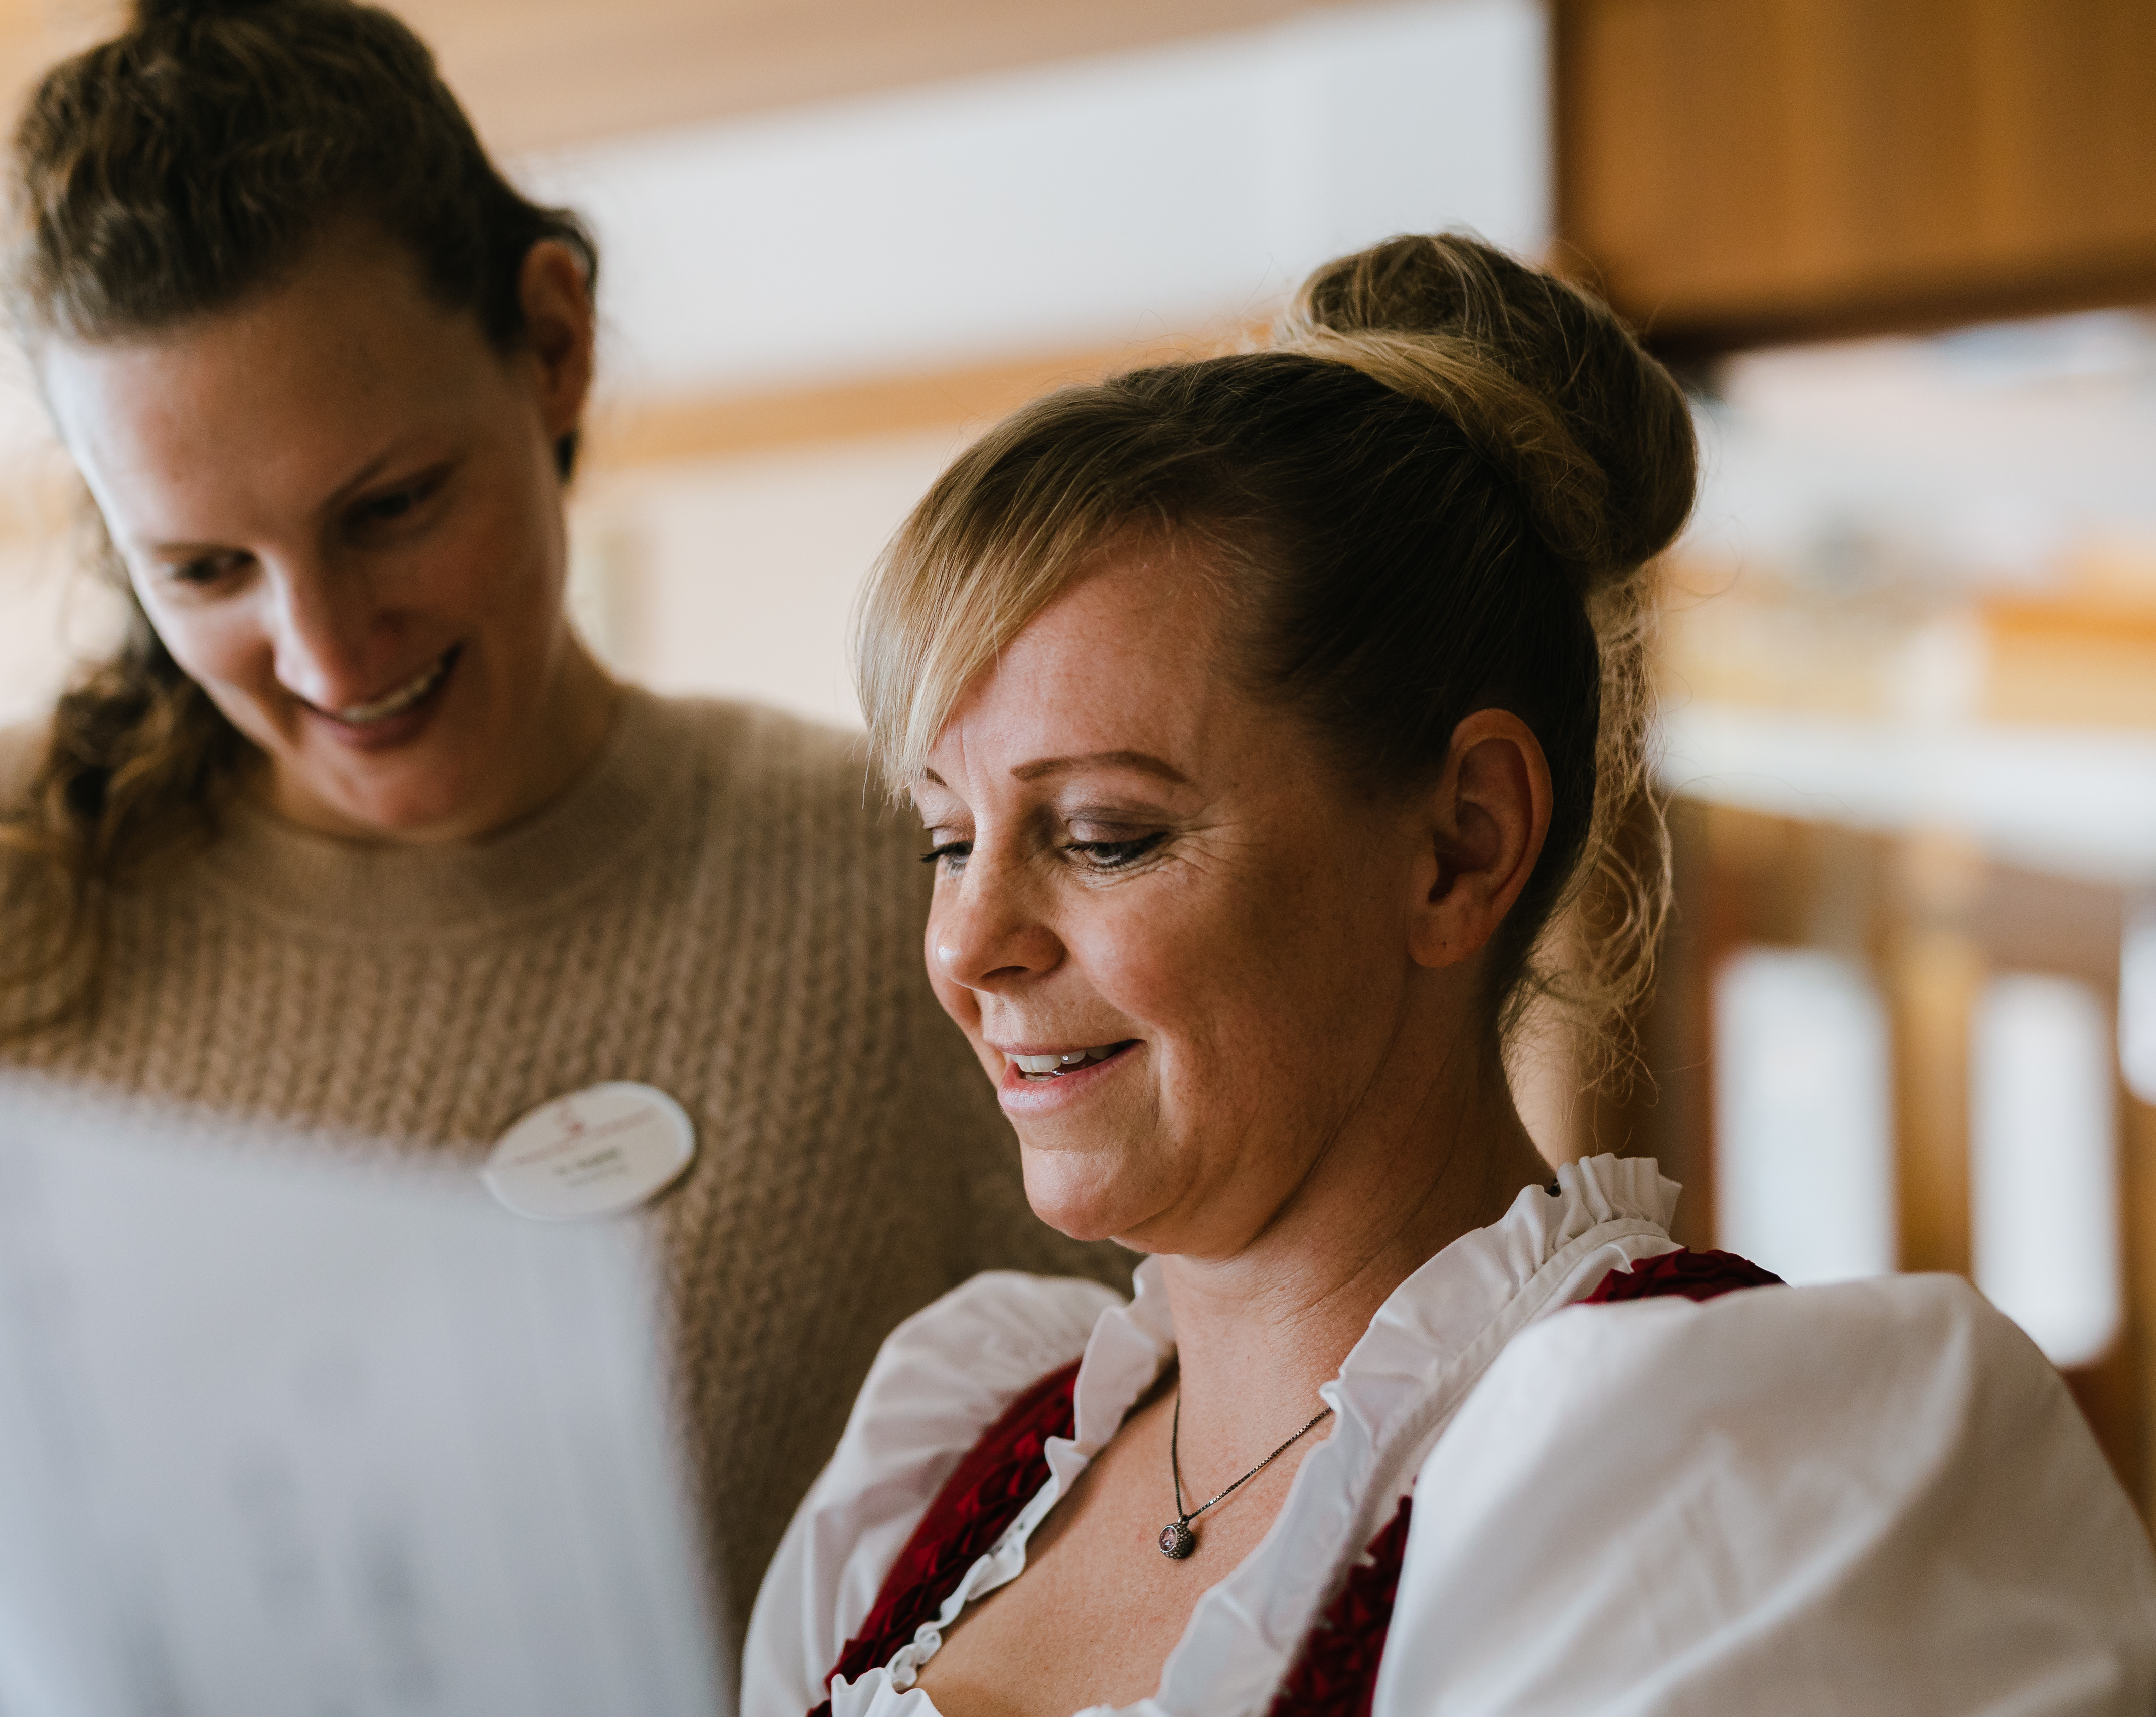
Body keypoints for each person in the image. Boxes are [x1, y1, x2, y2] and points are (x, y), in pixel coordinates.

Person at [0, 0, 1120, 1632]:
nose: (327, 652)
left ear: (555, 339)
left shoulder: (899, 896)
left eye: (389, 509)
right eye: (204, 571)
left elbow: (1191, 1501)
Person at [742, 234, 2156, 1715]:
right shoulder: (938, 1469)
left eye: (1104, 835)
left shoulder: (1724, 1481)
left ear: (1458, 848)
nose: (971, 945)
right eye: (948, 842)